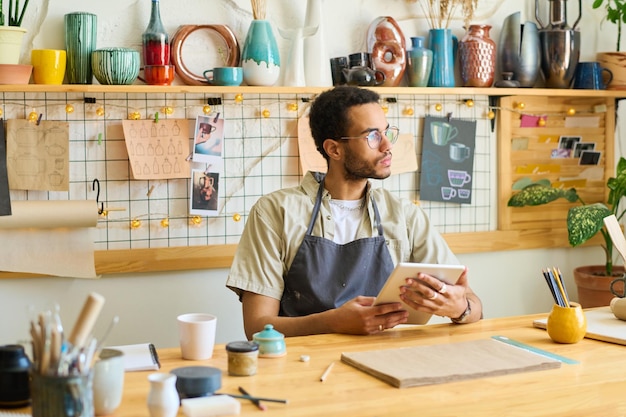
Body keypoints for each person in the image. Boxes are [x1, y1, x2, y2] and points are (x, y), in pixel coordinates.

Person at [226, 86, 482, 339]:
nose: (386, 146)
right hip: (302, 366)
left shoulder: (405, 216)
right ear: (334, 149)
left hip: (387, 360)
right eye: (372, 136)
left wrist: (460, 308)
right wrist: (332, 322)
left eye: (387, 132)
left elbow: (474, 306)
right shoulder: (274, 212)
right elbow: (257, 328)